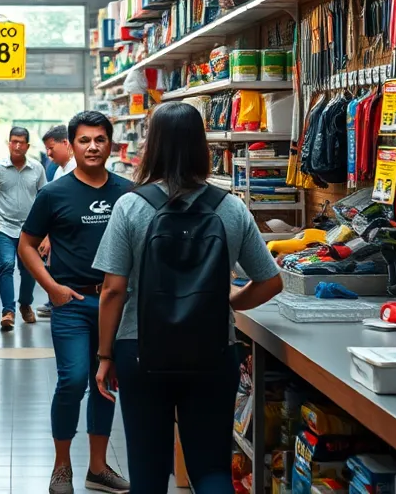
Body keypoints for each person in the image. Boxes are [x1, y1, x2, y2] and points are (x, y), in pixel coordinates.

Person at [93, 101, 283, 494]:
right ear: (202, 144)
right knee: (211, 467)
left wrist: (106, 355)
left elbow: (113, 290)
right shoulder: (230, 207)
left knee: (147, 472)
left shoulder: (131, 205)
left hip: (140, 349)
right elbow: (270, 282)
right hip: (213, 351)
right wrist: (225, 300)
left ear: (154, 145)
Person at [19, 111, 132, 494]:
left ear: (110, 144)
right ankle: (62, 466)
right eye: (84, 140)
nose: (93, 146)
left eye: (100, 139)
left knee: (106, 382)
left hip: (114, 304)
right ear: (72, 145)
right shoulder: (54, 193)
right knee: (72, 380)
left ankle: (97, 469)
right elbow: (26, 244)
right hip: (71, 301)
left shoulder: (127, 192)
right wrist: (50, 287)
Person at [0, 126, 47, 330]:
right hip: (4, 227)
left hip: (30, 229)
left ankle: (25, 304)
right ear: (8, 143)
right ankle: (8, 311)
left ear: (27, 145)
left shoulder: (37, 169)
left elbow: (44, 197)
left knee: (29, 271)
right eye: (13, 141)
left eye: (21, 142)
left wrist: (45, 230)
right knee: (6, 265)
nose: (17, 145)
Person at [36, 124, 74, 317]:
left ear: (66, 143)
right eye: (47, 149)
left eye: (52, 148)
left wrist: (49, 236)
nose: (49, 154)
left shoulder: (75, 169)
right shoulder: (60, 170)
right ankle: (56, 299)